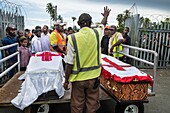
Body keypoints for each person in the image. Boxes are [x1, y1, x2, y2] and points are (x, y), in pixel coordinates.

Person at [64, 6, 111, 113]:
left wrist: (66, 80)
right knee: (92, 105)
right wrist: (105, 17)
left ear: (78, 24)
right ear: (90, 23)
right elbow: (102, 25)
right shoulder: (96, 34)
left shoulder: (72, 38)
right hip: (94, 77)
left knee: (77, 105)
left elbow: (69, 62)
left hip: (78, 79)